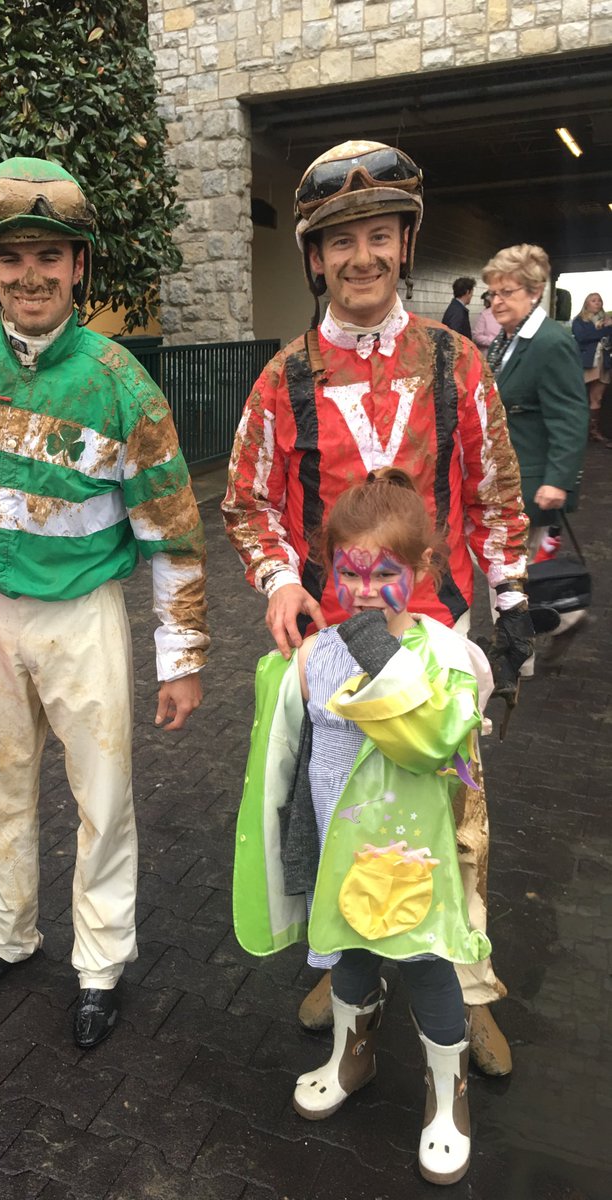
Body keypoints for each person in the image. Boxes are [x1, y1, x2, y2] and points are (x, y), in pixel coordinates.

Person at [0, 157, 209, 1050]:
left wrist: (181, 661)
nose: (30, 276)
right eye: (10, 257)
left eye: (48, 256)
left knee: (103, 797)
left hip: (83, 616)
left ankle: (100, 964)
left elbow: (174, 532)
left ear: (78, 266)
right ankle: (8, 938)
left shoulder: (122, 386)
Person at [222, 140, 534, 1077]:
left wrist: (512, 604)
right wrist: (281, 581)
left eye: (379, 236)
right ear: (313, 258)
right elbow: (246, 504)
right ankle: (347, 961)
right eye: (339, 241)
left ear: (406, 244)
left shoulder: (459, 362)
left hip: (436, 638)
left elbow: (496, 499)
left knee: (455, 816)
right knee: (336, 810)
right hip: (334, 645)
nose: (360, 257)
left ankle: (463, 973)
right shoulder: (283, 377)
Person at [234, 470, 493, 1184]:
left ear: (423, 568)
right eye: (347, 573)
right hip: (339, 854)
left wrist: (375, 645)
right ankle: (353, 1056)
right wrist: (297, 849)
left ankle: (449, 1096)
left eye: (386, 572)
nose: (365, 588)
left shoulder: (445, 655)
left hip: (415, 859)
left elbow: (433, 736)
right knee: (348, 959)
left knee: (430, 971)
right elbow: (295, 752)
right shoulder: (316, 655)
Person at [483, 247, 589, 530]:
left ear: (535, 291)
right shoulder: (502, 341)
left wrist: (558, 481)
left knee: (531, 572)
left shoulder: (550, 343)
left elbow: (569, 418)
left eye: (506, 292)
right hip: (502, 480)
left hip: (534, 487)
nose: (497, 302)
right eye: (492, 294)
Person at [571, 292, 612, 444]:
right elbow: (583, 337)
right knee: (580, 395)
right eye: (593, 300)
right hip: (587, 362)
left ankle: (593, 431)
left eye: (599, 300)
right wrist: (605, 330)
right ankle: (577, 430)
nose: (597, 303)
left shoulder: (607, 321)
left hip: (603, 362)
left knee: (597, 397)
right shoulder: (579, 321)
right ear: (586, 304)